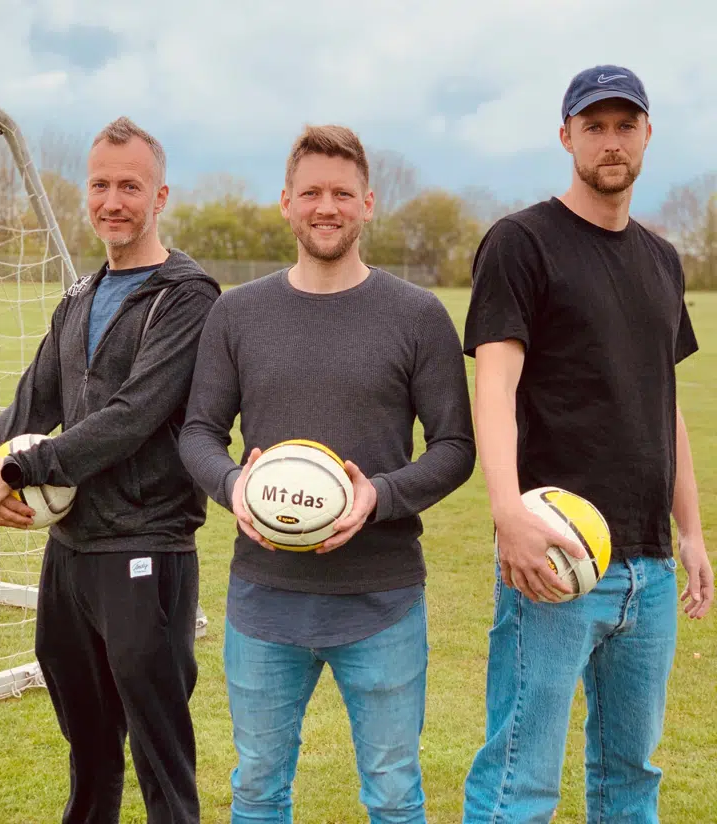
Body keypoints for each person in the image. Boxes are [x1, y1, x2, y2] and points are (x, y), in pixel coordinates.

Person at [179, 124, 476, 824]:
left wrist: (378, 497)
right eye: (310, 192)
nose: (326, 207)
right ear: (285, 202)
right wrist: (232, 486)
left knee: (396, 794)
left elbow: (455, 446)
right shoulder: (237, 313)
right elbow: (198, 433)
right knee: (256, 790)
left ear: (368, 203)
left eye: (342, 193)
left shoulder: (417, 315)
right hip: (264, 600)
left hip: (384, 601)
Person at [462, 66, 714, 823]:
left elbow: (663, 406)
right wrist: (507, 512)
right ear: (566, 135)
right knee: (520, 779)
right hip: (556, 557)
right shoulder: (520, 243)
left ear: (647, 135)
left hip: (650, 569)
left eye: (624, 125)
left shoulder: (663, 260)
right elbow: (495, 386)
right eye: (594, 126)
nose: (611, 141)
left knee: (630, 778)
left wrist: (693, 532)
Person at [0, 117, 220, 824]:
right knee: (89, 748)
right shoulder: (77, 296)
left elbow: (133, 416)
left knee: (160, 751)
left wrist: (16, 474)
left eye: (129, 186)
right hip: (69, 553)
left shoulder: (186, 296)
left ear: (160, 195)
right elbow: (31, 401)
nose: (112, 200)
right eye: (100, 185)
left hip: (145, 545)